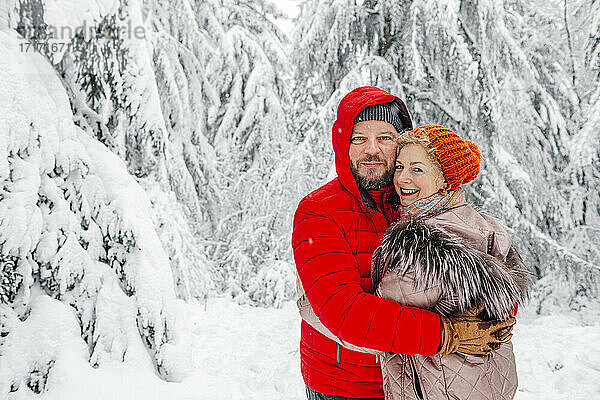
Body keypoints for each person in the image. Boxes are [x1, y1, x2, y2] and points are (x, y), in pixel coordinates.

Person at [292, 86, 516, 400]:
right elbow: (346, 314)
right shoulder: (319, 211)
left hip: (416, 386)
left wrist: (488, 316)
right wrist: (447, 334)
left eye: (385, 138)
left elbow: (486, 273)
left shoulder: (419, 201)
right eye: (359, 138)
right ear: (342, 144)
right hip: (349, 387)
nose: (372, 150)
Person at [370, 124, 532, 399]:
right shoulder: (487, 227)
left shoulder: (418, 250)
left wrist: (311, 303)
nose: (402, 178)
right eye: (399, 167)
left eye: (417, 169)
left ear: (446, 178)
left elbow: (374, 328)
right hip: (490, 386)